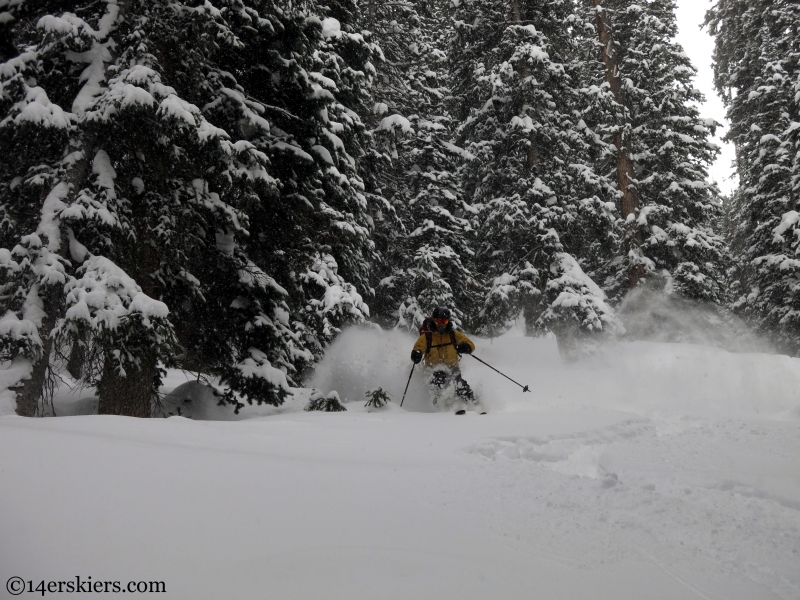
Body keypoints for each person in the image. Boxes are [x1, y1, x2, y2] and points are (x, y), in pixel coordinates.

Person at [410, 307, 478, 409]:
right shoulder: (427, 337)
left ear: (448, 321)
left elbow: (470, 344)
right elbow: (418, 347)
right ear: (434, 320)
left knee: (460, 385)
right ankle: (439, 408)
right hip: (432, 370)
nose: (441, 324)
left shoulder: (453, 335)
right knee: (439, 379)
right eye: (438, 320)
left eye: (444, 321)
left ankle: (475, 406)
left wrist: (465, 347)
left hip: (453, 369)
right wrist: (417, 354)